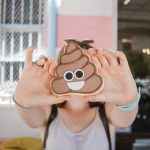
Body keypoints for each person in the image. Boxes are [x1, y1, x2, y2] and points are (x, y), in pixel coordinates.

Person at [13, 40, 139, 150]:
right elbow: (32, 121)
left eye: (84, 65)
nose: (77, 76)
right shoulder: (48, 111)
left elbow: (124, 121)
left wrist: (129, 102)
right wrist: (22, 102)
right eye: (69, 66)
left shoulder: (106, 110)